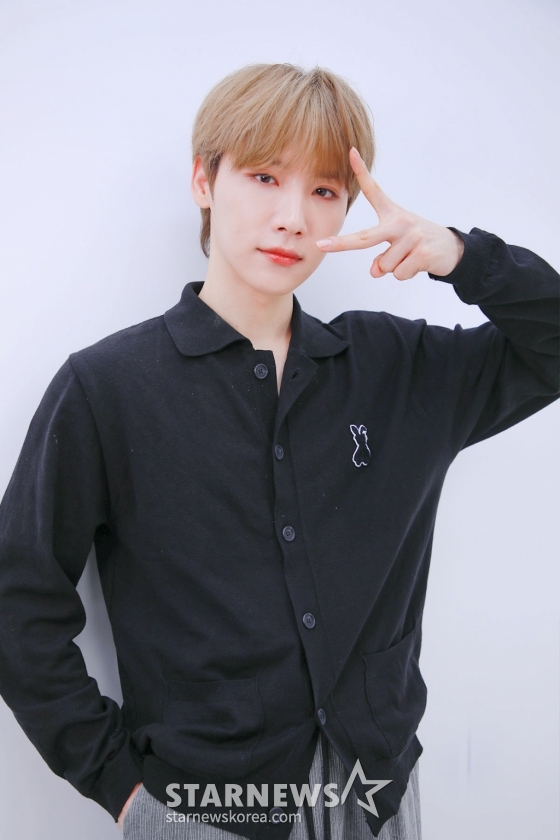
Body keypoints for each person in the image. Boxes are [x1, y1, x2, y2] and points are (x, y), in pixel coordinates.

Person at [0, 62, 558, 840]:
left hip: (373, 799)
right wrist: (120, 787)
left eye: (324, 190)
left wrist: (464, 256)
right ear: (204, 180)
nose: (293, 217)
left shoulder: (395, 369)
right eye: (264, 177)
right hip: (202, 810)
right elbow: (17, 599)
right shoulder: (107, 388)